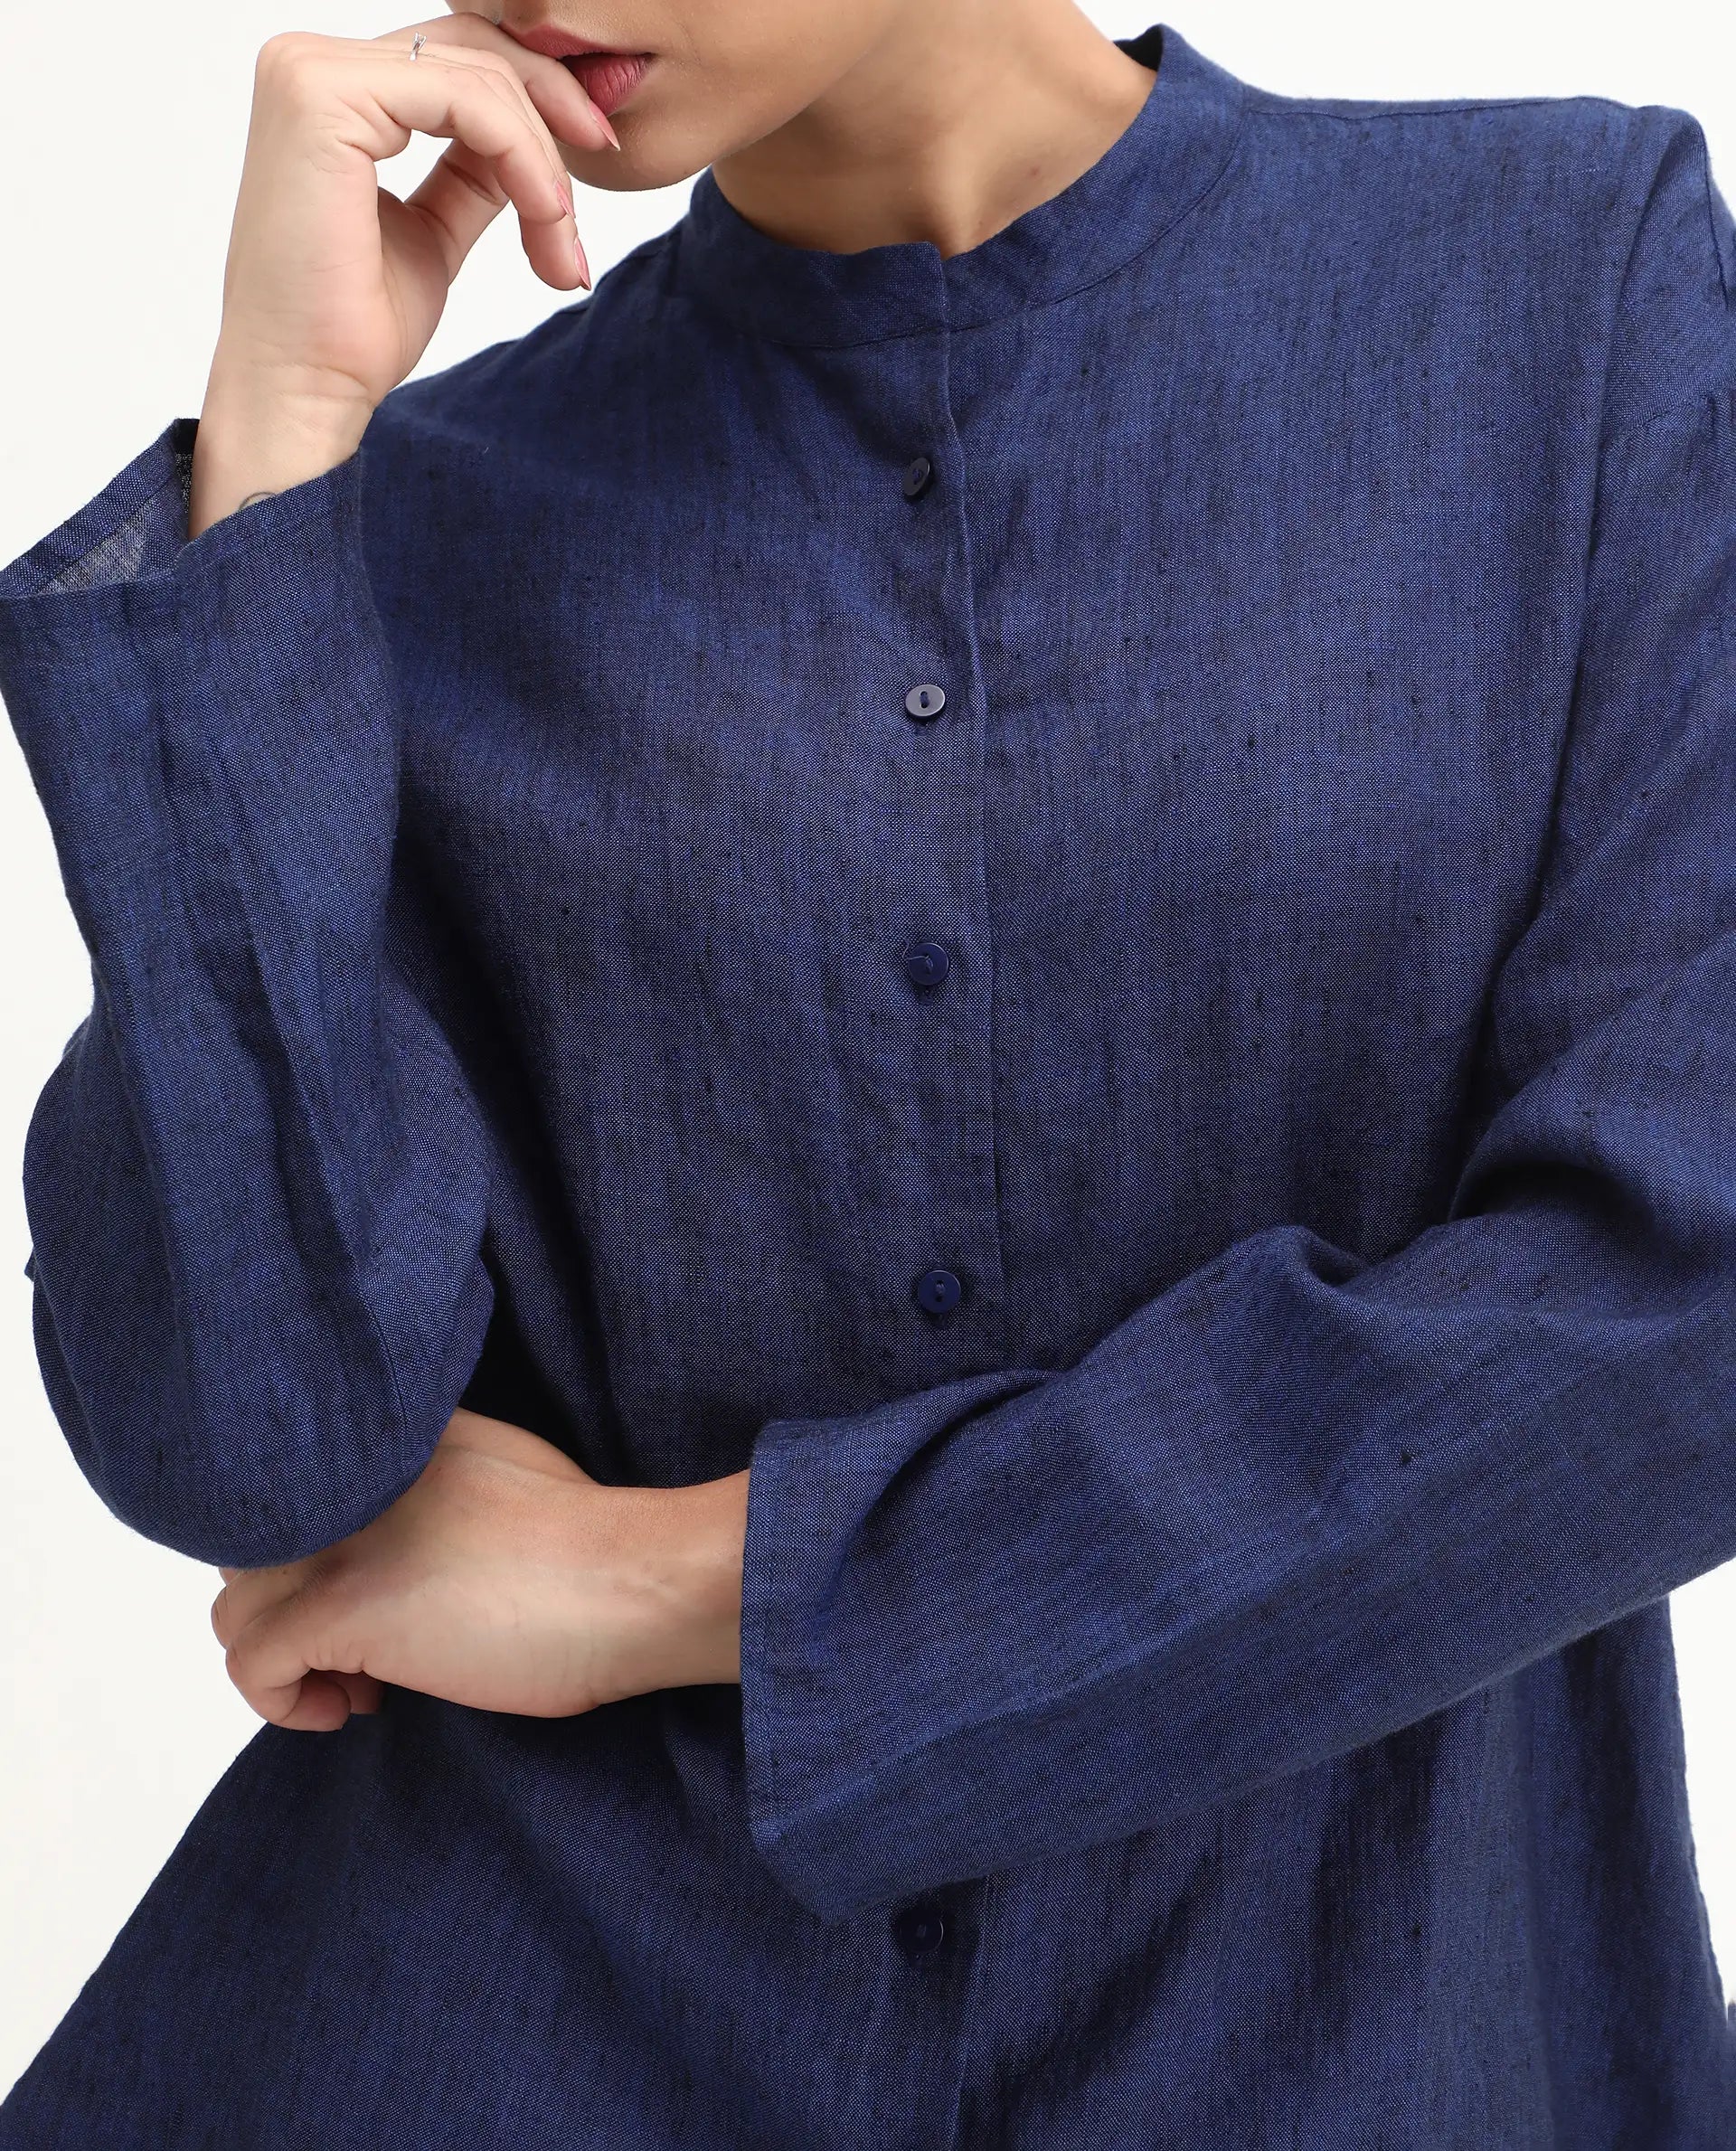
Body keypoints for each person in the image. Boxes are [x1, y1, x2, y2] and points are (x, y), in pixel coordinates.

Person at [2, 0, 1735, 2140]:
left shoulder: (1562, 287)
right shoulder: (417, 518)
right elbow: (256, 1445)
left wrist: (683, 1586)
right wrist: (269, 461)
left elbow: (1684, 1308)